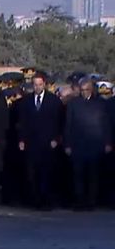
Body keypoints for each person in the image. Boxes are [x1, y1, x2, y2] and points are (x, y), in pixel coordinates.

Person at [17, 72, 64, 210]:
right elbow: (22, 122)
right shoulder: (26, 101)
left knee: (47, 172)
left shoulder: (54, 101)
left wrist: (57, 139)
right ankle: (34, 200)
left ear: (44, 84)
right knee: (32, 172)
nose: (37, 87)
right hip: (31, 142)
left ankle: (46, 200)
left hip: (48, 142)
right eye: (35, 85)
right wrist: (21, 139)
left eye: (39, 84)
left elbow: (59, 122)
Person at [64, 78, 112, 210]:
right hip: (77, 144)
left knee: (92, 175)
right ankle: (79, 200)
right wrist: (67, 144)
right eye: (82, 90)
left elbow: (105, 124)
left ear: (92, 89)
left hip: (94, 144)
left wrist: (108, 142)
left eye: (87, 90)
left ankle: (91, 202)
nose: (84, 92)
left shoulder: (100, 104)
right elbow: (68, 125)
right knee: (78, 175)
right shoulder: (74, 104)